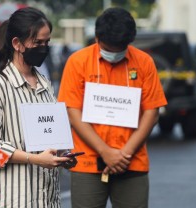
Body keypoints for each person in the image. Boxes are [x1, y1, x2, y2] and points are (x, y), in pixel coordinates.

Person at [58, 8, 167, 208]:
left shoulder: (144, 62)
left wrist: (124, 153)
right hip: (88, 163)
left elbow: (152, 112)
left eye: (121, 48)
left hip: (132, 161)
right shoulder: (78, 62)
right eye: (109, 48)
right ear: (97, 37)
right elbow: (72, 112)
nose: (115, 53)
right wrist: (105, 151)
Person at [0, 7, 75, 208]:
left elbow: (51, 135)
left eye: (47, 42)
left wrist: (63, 156)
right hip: (11, 199)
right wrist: (35, 159)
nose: (43, 47)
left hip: (46, 199)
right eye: (37, 42)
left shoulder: (45, 84)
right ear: (17, 44)